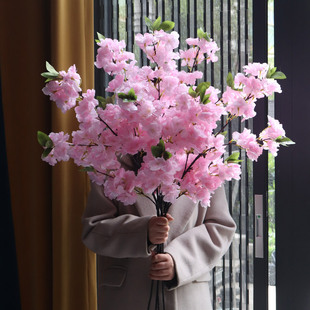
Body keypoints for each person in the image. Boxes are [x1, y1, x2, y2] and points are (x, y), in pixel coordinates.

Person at [82, 156, 236, 310]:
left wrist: (179, 261)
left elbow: (220, 227)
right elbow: (93, 229)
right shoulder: (110, 161)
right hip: (128, 295)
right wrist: (142, 232)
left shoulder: (203, 159)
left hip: (187, 295)